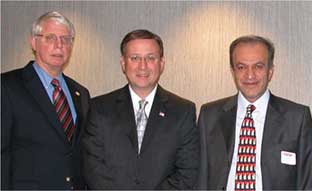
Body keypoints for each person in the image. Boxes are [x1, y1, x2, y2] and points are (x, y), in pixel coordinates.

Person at [197, 35, 312, 190]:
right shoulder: (209, 116)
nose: (250, 75)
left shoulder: (297, 118)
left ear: (270, 71)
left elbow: (309, 183)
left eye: (258, 66)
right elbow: (200, 178)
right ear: (233, 71)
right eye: (241, 67)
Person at [82, 29, 199, 190]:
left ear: (162, 63)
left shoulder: (183, 111)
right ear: (123, 63)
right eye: (135, 58)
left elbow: (187, 171)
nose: (142, 66)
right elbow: (92, 166)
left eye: (150, 58)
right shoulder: (99, 108)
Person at [1, 11, 90, 190]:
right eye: (50, 38)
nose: (59, 46)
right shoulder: (7, 86)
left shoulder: (80, 93)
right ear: (33, 42)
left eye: (65, 39)